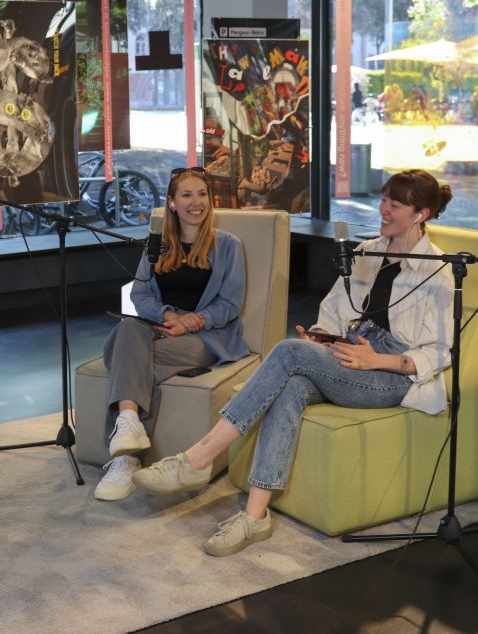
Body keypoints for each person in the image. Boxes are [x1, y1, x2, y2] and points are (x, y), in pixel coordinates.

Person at [132, 169, 454, 556]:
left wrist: (377, 360)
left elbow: (440, 351)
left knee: (286, 352)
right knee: (293, 385)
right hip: (349, 353)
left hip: (391, 375)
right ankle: (255, 515)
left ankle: (198, 457)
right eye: (383, 200)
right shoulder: (368, 252)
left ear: (420, 214)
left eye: (395, 204)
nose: (383, 209)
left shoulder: (439, 269)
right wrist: (321, 336)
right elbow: (333, 310)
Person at [94, 168, 248, 501]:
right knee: (127, 328)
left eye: (202, 194)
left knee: (126, 359)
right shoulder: (158, 244)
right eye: (187, 195)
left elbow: (230, 304)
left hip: (205, 338)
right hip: (158, 328)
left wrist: (188, 323)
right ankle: (129, 424)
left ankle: (125, 458)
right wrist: (167, 316)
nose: (196, 202)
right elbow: (140, 294)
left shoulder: (228, 245)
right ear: (172, 202)